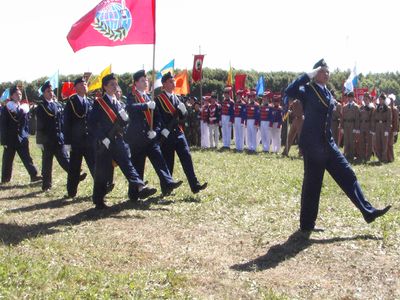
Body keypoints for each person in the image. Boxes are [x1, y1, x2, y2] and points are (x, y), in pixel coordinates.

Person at [285, 59, 391, 231]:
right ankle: (306, 225)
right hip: (313, 146)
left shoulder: (328, 92)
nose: (326, 74)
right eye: (322, 71)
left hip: (329, 144)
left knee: (348, 174)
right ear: (315, 73)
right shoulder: (308, 90)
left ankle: (368, 211)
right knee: (313, 184)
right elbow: (289, 90)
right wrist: (307, 76)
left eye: (328, 71)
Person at [88, 73, 157, 209]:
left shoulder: (119, 103)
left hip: (118, 140)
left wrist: (126, 120)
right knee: (103, 171)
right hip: (105, 142)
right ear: (105, 87)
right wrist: (102, 138)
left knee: (128, 165)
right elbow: (92, 124)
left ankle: (140, 187)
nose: (115, 87)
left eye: (116, 84)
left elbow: (124, 123)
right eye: (111, 84)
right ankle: (98, 199)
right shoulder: (99, 103)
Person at [124, 70, 182, 199]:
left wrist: (155, 130)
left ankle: (168, 182)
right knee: (138, 165)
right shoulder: (132, 95)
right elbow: (130, 108)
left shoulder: (150, 96)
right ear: (136, 83)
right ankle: (134, 194)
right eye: (143, 80)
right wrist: (145, 106)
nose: (146, 82)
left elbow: (158, 118)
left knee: (159, 160)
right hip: (137, 138)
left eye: (146, 80)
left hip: (150, 137)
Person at [156, 72, 207, 194]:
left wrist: (184, 112)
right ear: (164, 84)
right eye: (170, 81)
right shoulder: (158, 100)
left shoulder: (177, 98)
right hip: (167, 134)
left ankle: (195, 185)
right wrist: (162, 129)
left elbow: (184, 117)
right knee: (169, 161)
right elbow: (157, 117)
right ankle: (166, 188)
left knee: (187, 158)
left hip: (178, 133)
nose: (173, 83)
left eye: (173, 81)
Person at [1, 85, 41, 183]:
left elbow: (26, 123)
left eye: (20, 94)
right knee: (7, 160)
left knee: (27, 158)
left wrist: (26, 134)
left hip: (21, 137)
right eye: (16, 94)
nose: (19, 96)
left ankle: (34, 175)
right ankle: (5, 179)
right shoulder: (7, 108)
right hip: (10, 138)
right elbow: (3, 125)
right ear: (11, 96)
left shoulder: (23, 108)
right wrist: (3, 140)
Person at [36, 81, 72, 191]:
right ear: (43, 93)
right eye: (48, 91)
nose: (51, 93)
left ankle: (75, 175)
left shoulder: (57, 104)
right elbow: (39, 125)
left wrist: (65, 137)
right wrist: (39, 141)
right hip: (47, 140)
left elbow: (61, 122)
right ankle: (46, 185)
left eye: (51, 91)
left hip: (58, 138)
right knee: (47, 164)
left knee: (65, 160)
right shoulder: (41, 107)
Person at [63, 77, 95, 198]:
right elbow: (67, 123)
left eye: (85, 84)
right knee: (74, 168)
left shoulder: (90, 101)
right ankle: (71, 191)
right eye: (81, 84)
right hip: (76, 141)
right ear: (75, 88)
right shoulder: (71, 102)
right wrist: (67, 142)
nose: (84, 86)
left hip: (88, 140)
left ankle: (101, 187)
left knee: (94, 164)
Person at [372, 93, 392, 163]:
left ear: (384, 100)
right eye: (379, 99)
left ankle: (384, 158)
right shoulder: (376, 108)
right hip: (377, 126)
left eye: (381, 99)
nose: (380, 101)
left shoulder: (388, 109)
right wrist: (373, 129)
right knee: (378, 142)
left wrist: (387, 130)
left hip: (384, 126)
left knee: (384, 143)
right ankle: (379, 157)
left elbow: (389, 120)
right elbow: (373, 119)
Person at [342, 91, 360, 161]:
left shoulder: (356, 107)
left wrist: (356, 128)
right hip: (346, 124)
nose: (349, 99)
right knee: (346, 140)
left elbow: (357, 118)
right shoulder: (345, 106)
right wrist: (342, 127)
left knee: (352, 140)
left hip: (352, 124)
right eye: (348, 98)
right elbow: (343, 118)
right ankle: (346, 154)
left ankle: (351, 155)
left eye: (351, 97)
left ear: (353, 98)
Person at [358, 92, 374, 162]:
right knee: (362, 142)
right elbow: (359, 117)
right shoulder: (361, 107)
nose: (365, 100)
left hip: (368, 125)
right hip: (362, 125)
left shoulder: (371, 108)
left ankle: (368, 157)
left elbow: (373, 119)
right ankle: (362, 156)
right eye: (364, 99)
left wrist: (372, 128)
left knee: (369, 142)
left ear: (369, 99)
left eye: (366, 99)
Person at [387, 94, 399, 162]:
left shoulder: (394, 109)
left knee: (390, 144)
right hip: (386, 128)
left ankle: (391, 158)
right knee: (386, 143)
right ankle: (387, 157)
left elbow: (396, 120)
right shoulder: (387, 108)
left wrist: (395, 130)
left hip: (392, 129)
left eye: (391, 100)